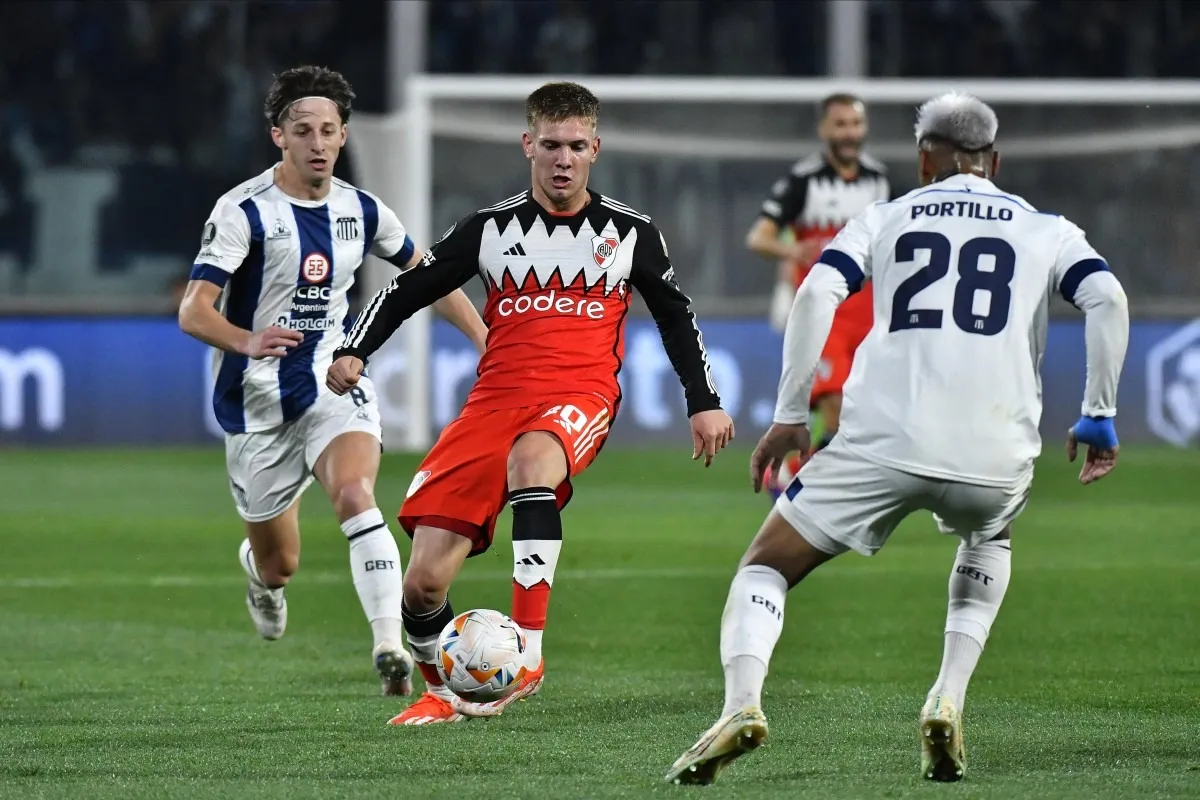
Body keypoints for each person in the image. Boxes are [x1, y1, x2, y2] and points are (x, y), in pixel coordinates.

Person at [666, 91, 1129, 785]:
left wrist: (792, 413)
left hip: (879, 442)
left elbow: (816, 293)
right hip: (994, 453)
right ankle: (947, 697)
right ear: (994, 161)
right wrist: (1098, 410)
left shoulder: (883, 216)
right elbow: (1108, 299)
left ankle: (742, 705)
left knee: (764, 566)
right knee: (990, 536)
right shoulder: (1046, 228)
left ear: (923, 161)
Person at [326, 81, 736, 726]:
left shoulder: (629, 233)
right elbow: (408, 289)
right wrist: (355, 349)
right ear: (528, 146)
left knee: (531, 467)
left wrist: (703, 400)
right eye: (551, 145)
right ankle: (447, 691)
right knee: (423, 584)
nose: (563, 159)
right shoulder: (489, 230)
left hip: (579, 394)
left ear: (595, 148)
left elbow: (677, 319)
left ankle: (530, 656)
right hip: (492, 403)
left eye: (576, 145)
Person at [177, 66, 488, 696]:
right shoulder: (243, 211)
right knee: (280, 562)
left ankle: (387, 647)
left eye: (328, 130)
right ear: (278, 137)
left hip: (332, 380)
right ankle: (259, 575)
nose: (317, 143)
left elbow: (428, 277)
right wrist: (247, 339)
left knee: (354, 495)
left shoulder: (363, 209)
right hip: (255, 401)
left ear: (343, 135)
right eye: (303, 131)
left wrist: (488, 342)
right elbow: (193, 309)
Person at [745, 93, 891, 498]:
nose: (849, 133)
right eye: (840, 124)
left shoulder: (881, 181)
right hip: (824, 317)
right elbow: (758, 237)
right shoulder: (802, 180)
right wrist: (792, 251)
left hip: (869, 316)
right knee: (837, 414)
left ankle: (796, 471)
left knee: (862, 420)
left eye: (855, 124)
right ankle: (800, 482)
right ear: (824, 129)